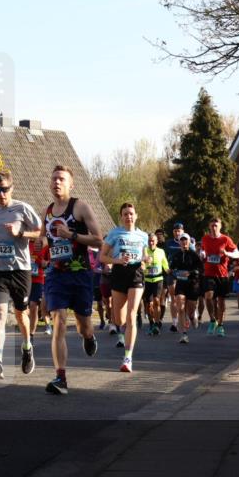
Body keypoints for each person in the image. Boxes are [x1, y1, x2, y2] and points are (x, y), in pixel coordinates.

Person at [39, 165, 104, 395]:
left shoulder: (80, 207)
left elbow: (98, 240)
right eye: (54, 178)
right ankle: (61, 377)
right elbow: (44, 239)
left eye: (61, 179)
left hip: (80, 274)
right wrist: (41, 246)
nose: (57, 182)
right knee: (58, 320)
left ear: (71, 184)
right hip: (56, 275)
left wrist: (72, 235)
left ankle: (89, 336)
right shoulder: (47, 211)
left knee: (83, 325)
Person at [0, 170, 41, 379]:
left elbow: (40, 232)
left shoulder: (22, 208)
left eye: (5, 189)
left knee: (20, 314)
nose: (1, 194)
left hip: (20, 270)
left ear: (11, 188)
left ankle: (27, 347)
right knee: (0, 313)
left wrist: (21, 233)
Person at [99, 202, 150, 373]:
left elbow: (145, 255)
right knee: (120, 320)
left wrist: (146, 259)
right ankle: (122, 330)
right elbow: (102, 257)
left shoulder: (143, 236)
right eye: (125, 214)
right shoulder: (114, 233)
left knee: (131, 315)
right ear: (121, 217)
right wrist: (117, 261)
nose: (129, 216)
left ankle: (128, 358)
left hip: (136, 274)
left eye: (131, 213)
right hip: (119, 273)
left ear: (136, 216)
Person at [200, 217, 239, 337]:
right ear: (209, 226)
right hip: (209, 273)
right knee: (208, 297)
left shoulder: (225, 239)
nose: (214, 227)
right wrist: (202, 254)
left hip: (222, 275)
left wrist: (227, 253)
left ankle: (221, 325)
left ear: (220, 226)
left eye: (216, 225)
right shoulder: (205, 238)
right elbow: (203, 250)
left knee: (221, 301)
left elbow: (237, 254)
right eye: (212, 225)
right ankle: (213, 320)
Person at [169, 233, 203, 344]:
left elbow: (201, 269)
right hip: (181, 284)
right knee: (180, 307)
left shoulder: (194, 255)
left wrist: (191, 273)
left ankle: (192, 317)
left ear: (189, 242)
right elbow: (172, 267)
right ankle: (184, 334)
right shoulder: (176, 255)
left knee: (190, 311)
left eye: (186, 240)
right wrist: (171, 270)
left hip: (193, 284)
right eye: (182, 240)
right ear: (179, 242)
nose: (184, 242)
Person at [142, 232, 169, 336]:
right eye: (149, 241)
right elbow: (141, 264)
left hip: (158, 279)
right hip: (147, 280)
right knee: (149, 304)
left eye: (153, 241)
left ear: (157, 241)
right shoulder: (144, 251)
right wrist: (144, 264)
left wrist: (168, 270)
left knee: (157, 300)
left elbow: (165, 263)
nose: (151, 243)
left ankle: (157, 324)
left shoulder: (161, 251)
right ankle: (151, 323)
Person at [164, 223, 186, 332]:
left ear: (183, 231)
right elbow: (164, 257)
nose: (177, 233)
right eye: (175, 231)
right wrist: (166, 267)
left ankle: (187, 313)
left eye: (179, 231)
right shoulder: (168, 243)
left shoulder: (186, 242)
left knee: (182, 297)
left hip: (183, 273)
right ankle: (174, 322)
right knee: (173, 296)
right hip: (172, 272)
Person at [28, 239, 48, 340]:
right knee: (23, 308)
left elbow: (46, 263)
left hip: (38, 280)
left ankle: (31, 334)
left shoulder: (43, 245)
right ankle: (26, 330)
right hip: (25, 279)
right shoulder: (25, 244)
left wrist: (41, 260)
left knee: (33, 306)